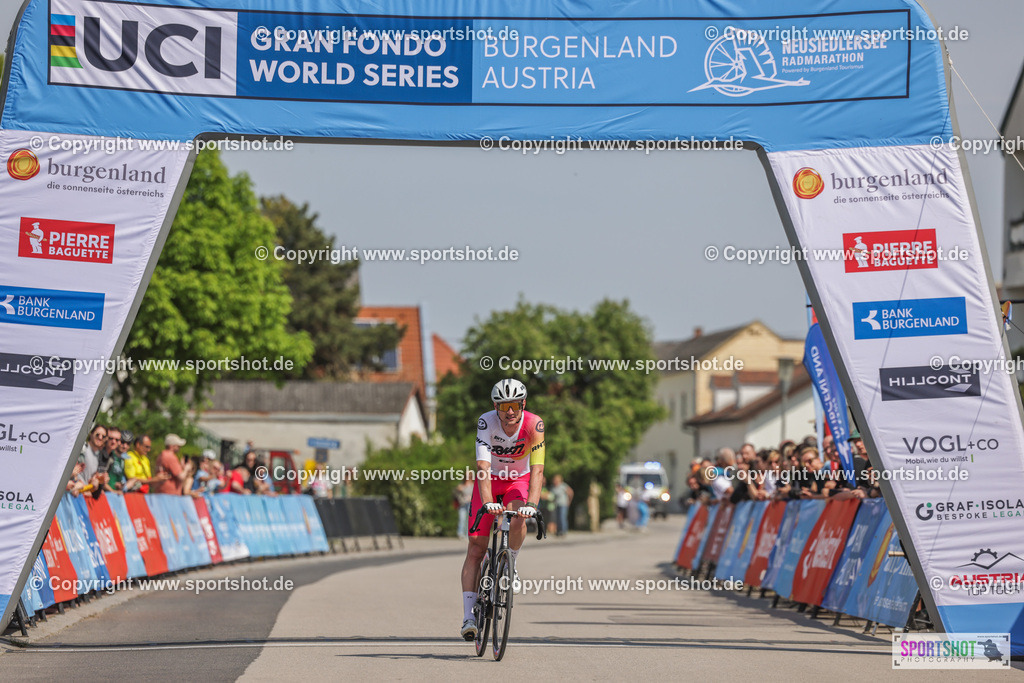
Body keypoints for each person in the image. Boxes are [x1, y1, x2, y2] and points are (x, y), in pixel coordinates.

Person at [459, 378, 545, 641]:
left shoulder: (534, 423)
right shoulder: (486, 421)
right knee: (476, 547)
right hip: (491, 480)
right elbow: (483, 467)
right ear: (496, 406)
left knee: (519, 519)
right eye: (504, 405)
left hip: (517, 481)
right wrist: (487, 503)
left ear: (523, 404)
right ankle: (468, 617)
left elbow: (538, 469)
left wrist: (532, 505)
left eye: (515, 405)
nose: (510, 411)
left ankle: (512, 564)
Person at [453, 474, 474, 540]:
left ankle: (468, 534)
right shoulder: (461, 485)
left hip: (470, 504)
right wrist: (458, 489)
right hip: (462, 504)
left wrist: (471, 498)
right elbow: (455, 493)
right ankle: (460, 533)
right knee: (462, 519)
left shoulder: (473, 485)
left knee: (469, 520)